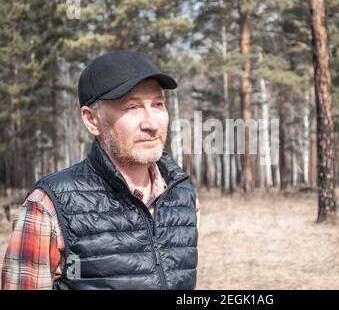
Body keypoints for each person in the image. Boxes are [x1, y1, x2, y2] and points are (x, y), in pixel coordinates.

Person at [1, 50, 199, 290]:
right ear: (91, 120)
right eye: (132, 107)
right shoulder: (47, 208)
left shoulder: (182, 196)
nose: (152, 123)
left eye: (158, 105)